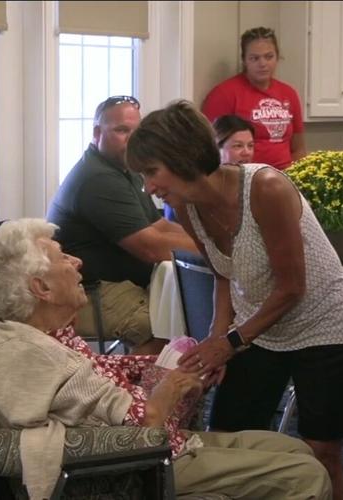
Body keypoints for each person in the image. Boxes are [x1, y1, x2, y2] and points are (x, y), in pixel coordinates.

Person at [0, 218, 333, 500]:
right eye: (63, 257)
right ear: (42, 288)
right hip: (137, 466)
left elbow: (101, 377)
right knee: (307, 476)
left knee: (294, 448)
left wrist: (174, 370)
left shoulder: (47, 334)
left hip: (160, 446)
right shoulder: (30, 354)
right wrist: (171, 386)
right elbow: (146, 423)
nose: (78, 261)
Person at [127, 101, 343, 500]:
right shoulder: (185, 207)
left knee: (323, 451)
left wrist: (230, 342)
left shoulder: (266, 188)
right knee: (227, 437)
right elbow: (224, 273)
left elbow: (292, 287)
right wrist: (216, 338)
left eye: (152, 171)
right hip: (259, 330)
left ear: (182, 156)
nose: (149, 186)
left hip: (323, 325)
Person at [47, 95, 197, 355]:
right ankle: (128, 383)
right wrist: (214, 249)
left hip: (115, 284)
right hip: (88, 291)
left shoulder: (124, 169)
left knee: (182, 310)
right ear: (97, 133)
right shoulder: (98, 178)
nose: (132, 139)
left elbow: (160, 226)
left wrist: (209, 239)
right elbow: (151, 248)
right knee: (166, 326)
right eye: (121, 130)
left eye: (137, 132)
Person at [201, 27, 306, 170]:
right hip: (245, 175)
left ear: (277, 58)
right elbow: (208, 148)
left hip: (285, 174)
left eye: (269, 57)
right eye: (254, 58)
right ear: (244, 60)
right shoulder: (224, 94)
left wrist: (295, 175)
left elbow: (298, 149)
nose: (262, 64)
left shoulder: (289, 93)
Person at [164, 114, 256, 221]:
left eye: (250, 146)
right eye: (238, 146)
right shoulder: (191, 186)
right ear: (216, 148)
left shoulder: (256, 183)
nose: (247, 152)